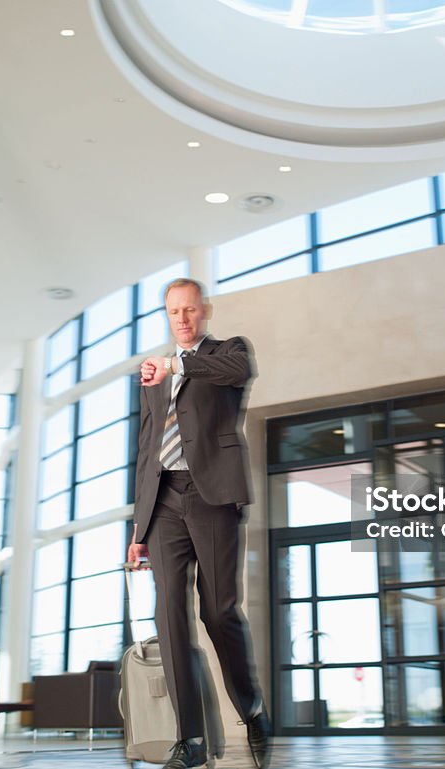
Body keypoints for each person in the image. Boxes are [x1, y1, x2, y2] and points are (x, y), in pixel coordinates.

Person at [127, 278, 270, 769]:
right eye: (174, 312)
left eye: (189, 310)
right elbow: (146, 450)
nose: (182, 319)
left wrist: (175, 363)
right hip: (164, 498)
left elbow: (237, 371)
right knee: (168, 613)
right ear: (167, 315)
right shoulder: (153, 375)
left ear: (203, 311)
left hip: (212, 497)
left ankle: (250, 707)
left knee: (218, 611)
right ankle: (188, 737)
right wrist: (138, 529)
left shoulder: (229, 351)